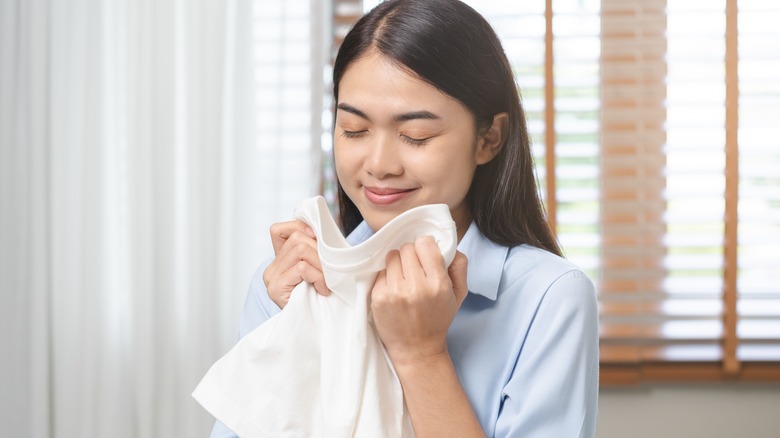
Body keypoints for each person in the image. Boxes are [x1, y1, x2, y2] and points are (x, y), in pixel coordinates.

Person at [211, 0, 598, 436]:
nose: (378, 164)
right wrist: (300, 331)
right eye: (354, 129)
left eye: (416, 135)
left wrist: (421, 355)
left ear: (489, 138)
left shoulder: (549, 299)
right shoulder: (288, 284)